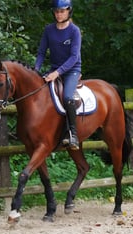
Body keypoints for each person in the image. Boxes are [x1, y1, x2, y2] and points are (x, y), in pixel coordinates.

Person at [34, 0, 81, 150]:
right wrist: (36, 69)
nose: (59, 14)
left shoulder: (74, 31)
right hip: (53, 70)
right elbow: (41, 52)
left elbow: (74, 57)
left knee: (67, 96)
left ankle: (73, 134)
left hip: (72, 70)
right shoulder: (49, 30)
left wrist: (57, 73)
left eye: (62, 11)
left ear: (68, 11)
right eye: (56, 11)